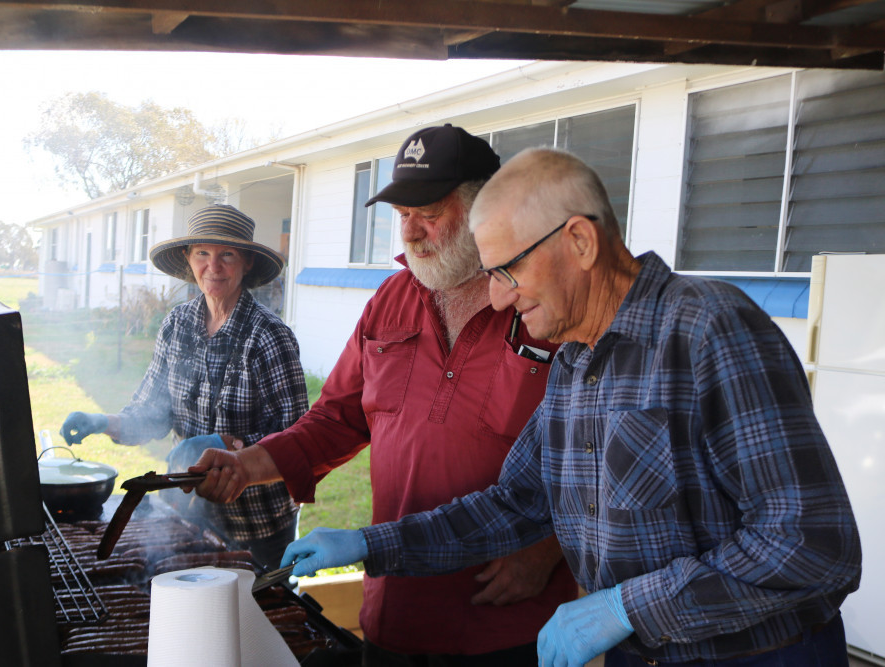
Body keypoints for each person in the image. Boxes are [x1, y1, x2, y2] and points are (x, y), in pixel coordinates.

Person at [277, 147, 863, 666]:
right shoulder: (575, 362)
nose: (500, 294)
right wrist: (368, 544)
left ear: (580, 241)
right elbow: (516, 504)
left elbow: (813, 543)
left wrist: (628, 607)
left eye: (509, 269)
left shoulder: (709, 328)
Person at [188, 125, 578, 666]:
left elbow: (600, 455)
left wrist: (550, 549)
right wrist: (246, 465)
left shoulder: (543, 309)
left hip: (508, 618)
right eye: (402, 216)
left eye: (430, 213)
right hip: (396, 607)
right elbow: (337, 418)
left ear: (486, 211)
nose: (412, 233)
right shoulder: (391, 300)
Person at [59, 204, 309, 572]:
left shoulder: (269, 335)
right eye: (202, 253)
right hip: (192, 515)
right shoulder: (176, 324)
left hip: (258, 526)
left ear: (247, 263)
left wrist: (227, 443)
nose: (214, 266)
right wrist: (104, 422)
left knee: (256, 622)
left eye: (227, 254)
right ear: (187, 259)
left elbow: (297, 442)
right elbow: (151, 413)